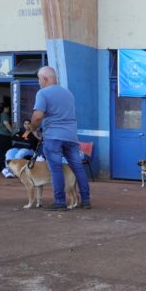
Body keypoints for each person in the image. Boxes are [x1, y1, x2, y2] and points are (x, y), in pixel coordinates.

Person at [30, 66, 92, 211]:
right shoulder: (68, 93)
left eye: (39, 79)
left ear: (45, 79)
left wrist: (33, 129)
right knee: (78, 167)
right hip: (71, 136)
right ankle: (86, 200)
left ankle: (59, 202)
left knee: (56, 168)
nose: (39, 82)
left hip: (53, 136)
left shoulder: (42, 93)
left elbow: (38, 116)